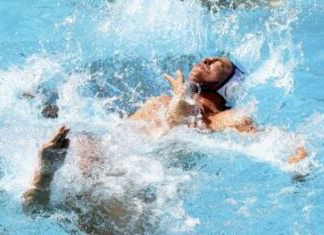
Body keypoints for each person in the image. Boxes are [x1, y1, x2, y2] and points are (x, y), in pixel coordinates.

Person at [23, 57, 307, 233]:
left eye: (219, 63)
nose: (206, 60)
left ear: (228, 88)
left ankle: (46, 174)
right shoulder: (157, 103)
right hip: (117, 176)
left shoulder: (225, 119)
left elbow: (271, 138)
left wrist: (298, 154)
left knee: (52, 205)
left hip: (136, 191)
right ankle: (47, 170)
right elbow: (119, 135)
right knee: (81, 154)